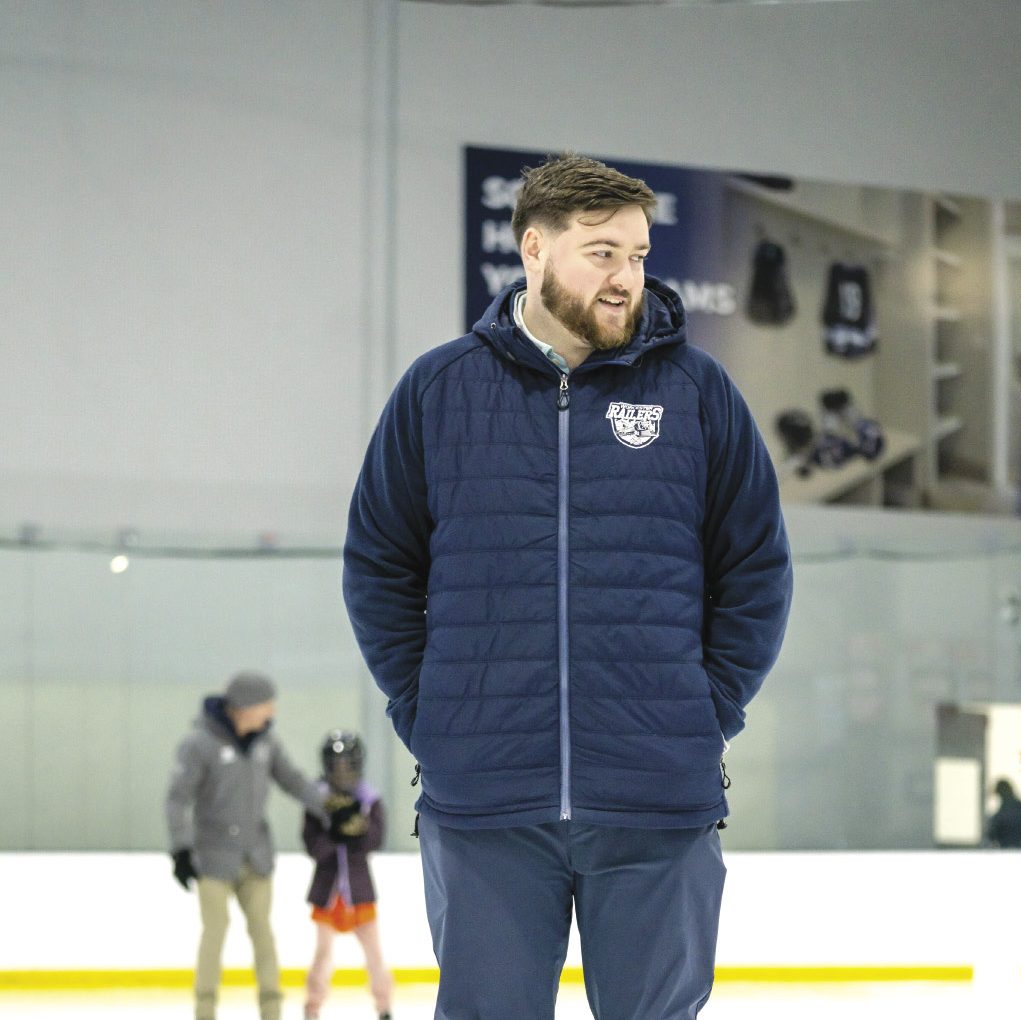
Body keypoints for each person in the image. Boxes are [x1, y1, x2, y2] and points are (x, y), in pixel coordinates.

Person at [343, 151, 793, 1019]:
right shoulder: (439, 391)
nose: (627, 277)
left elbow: (756, 571)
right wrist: (430, 710)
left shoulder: (698, 395)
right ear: (535, 250)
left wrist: (703, 711)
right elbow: (379, 566)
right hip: (486, 806)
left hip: (656, 800)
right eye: (602, 252)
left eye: (638, 254)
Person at [165, 671, 329, 1020]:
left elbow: (294, 781)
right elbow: (177, 798)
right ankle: (204, 1010)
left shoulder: (266, 742)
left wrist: (330, 807)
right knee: (215, 931)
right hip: (213, 859)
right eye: (266, 705)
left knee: (263, 933)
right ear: (244, 707)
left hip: (257, 856)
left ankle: (272, 1012)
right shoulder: (199, 744)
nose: (270, 713)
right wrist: (181, 849)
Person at [302, 730, 393, 1020]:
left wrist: (357, 830)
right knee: (322, 955)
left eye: (347, 764)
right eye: (336, 765)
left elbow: (375, 840)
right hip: (327, 891)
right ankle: (312, 1007)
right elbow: (313, 846)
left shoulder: (369, 799)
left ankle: (384, 1006)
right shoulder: (317, 799)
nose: (341, 771)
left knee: (374, 956)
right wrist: (335, 831)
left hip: (360, 889)